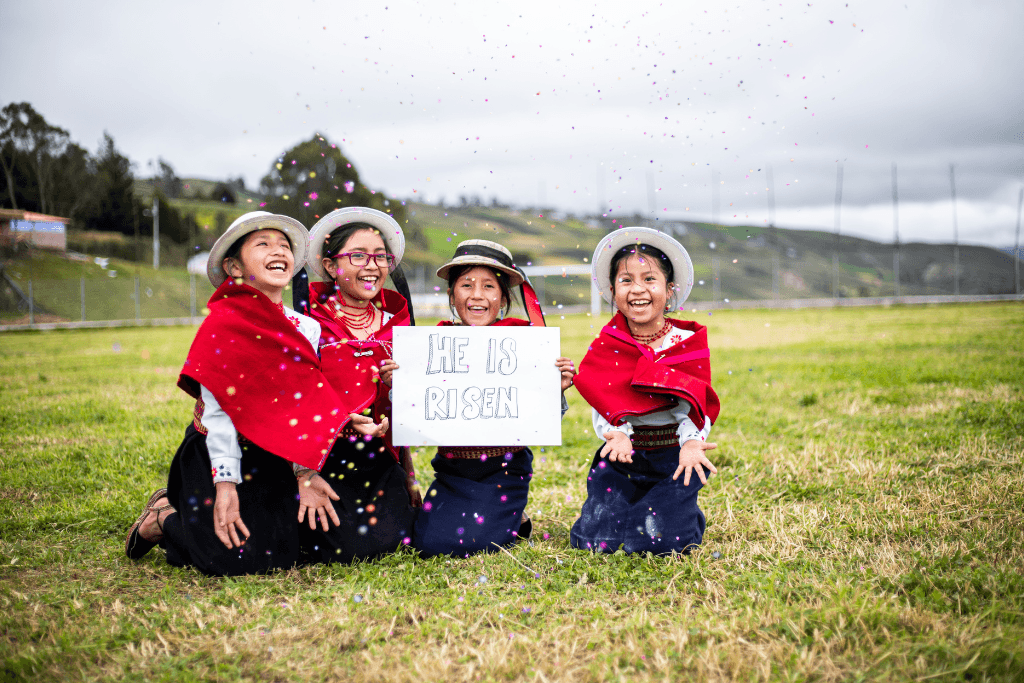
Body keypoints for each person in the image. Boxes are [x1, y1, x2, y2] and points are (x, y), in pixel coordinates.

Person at [124, 212, 381, 575]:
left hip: (270, 455)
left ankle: (189, 520)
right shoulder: (223, 324)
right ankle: (163, 516)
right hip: (215, 454)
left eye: (284, 245)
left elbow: (301, 402)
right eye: (263, 244)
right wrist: (225, 484)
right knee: (231, 561)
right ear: (234, 266)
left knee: (287, 554)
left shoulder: (304, 327)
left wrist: (308, 467)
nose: (278, 252)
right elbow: (218, 415)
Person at [409, 239, 576, 558]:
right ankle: (496, 516)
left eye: (488, 286)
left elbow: (539, 422)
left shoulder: (525, 345)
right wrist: (399, 383)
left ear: (502, 298)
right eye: (466, 284)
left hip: (503, 468)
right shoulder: (436, 347)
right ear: (452, 294)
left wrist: (555, 391)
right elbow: (420, 414)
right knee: (427, 543)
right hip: (452, 469)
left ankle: (514, 517)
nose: (476, 295)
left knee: (471, 545)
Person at [570, 227, 721, 555]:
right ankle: (638, 511)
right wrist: (617, 433)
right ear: (613, 290)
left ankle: (681, 515)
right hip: (623, 458)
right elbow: (604, 398)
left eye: (649, 279)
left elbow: (696, 402)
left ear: (669, 290)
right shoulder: (608, 345)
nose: (637, 289)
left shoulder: (687, 343)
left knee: (651, 543)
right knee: (595, 543)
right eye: (626, 280)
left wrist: (692, 442)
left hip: (673, 459)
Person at [299, 207, 419, 563]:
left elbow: (406, 411)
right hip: (321, 461)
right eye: (358, 256)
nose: (373, 265)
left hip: (379, 460)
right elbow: (295, 403)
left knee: (401, 541)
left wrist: (409, 475)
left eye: (381, 257)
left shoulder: (399, 327)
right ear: (332, 266)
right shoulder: (308, 325)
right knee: (340, 551)